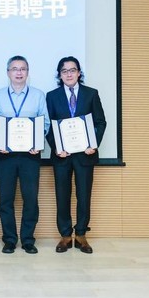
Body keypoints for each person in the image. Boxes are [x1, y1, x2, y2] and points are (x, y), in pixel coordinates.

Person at [45, 56, 106, 254]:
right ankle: (65, 235)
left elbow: (100, 122)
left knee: (83, 195)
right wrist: (56, 147)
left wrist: (93, 144)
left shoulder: (91, 94)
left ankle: (81, 235)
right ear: (59, 75)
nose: (69, 74)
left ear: (79, 73)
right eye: (64, 71)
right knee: (62, 195)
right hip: (62, 156)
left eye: (72, 70)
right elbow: (48, 126)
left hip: (85, 155)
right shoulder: (51, 96)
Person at [0, 55, 50, 255]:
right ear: (8, 72)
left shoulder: (38, 95)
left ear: (27, 72)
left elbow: (45, 123)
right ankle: (9, 240)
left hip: (30, 156)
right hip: (5, 155)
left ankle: (27, 240)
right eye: (15, 69)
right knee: (5, 200)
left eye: (23, 69)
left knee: (30, 199)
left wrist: (37, 143)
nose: (19, 72)